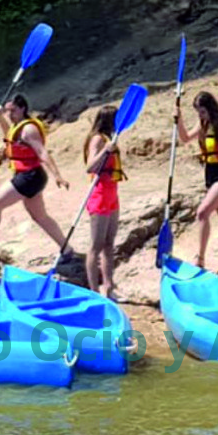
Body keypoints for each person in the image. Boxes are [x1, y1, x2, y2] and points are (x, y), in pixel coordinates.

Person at [0, 94, 71, 257]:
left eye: (13, 110)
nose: (10, 114)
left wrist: (57, 175)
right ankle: (67, 249)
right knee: (40, 217)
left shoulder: (28, 129)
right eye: (8, 111)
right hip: (29, 176)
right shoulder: (17, 127)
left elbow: (42, 152)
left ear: (23, 108)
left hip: (30, 176)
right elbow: (8, 135)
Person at [177, 92, 218, 273]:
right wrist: (179, 120)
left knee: (202, 213)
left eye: (203, 112)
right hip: (210, 173)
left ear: (211, 108)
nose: (200, 116)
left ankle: (199, 259)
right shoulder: (203, 125)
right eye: (198, 112)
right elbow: (184, 138)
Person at [82, 105, 127, 300]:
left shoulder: (110, 138)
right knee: (96, 245)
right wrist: (105, 152)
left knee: (109, 244)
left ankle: (109, 287)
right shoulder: (98, 139)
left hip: (112, 194)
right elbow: (90, 166)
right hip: (99, 195)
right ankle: (94, 292)